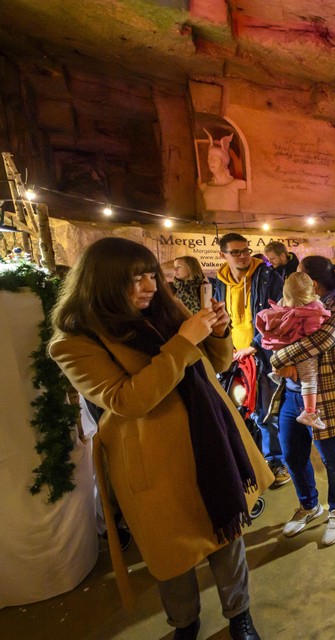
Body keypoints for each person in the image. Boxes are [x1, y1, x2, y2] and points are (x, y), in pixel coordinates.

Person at [49, 237, 271, 640]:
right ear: (103, 282)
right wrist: (185, 340)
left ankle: (239, 614)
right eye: (136, 278)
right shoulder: (76, 341)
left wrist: (218, 333)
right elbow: (127, 400)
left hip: (211, 440)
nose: (150, 286)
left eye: (152, 274)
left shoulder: (164, 312)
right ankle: (185, 624)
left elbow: (215, 364)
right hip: (152, 459)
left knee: (228, 534)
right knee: (172, 551)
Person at [269, 256, 335, 546]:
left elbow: (320, 341)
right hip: (293, 393)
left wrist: (277, 358)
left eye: (299, 275)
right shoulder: (305, 303)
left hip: (326, 395)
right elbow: (275, 329)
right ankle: (309, 505)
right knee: (292, 455)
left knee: (333, 458)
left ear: (315, 282)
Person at [212, 233, 290, 489]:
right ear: (223, 254)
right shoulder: (217, 284)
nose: (243, 255)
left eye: (245, 250)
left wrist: (254, 346)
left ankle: (275, 462)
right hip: (231, 357)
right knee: (239, 410)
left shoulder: (268, 277)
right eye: (235, 252)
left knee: (266, 411)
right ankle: (249, 460)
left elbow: (277, 316)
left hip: (263, 355)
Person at [255, 272, 331, 430]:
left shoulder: (281, 304)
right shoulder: (315, 309)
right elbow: (313, 336)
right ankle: (309, 412)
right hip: (302, 353)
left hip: (281, 346)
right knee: (309, 378)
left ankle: (276, 374)